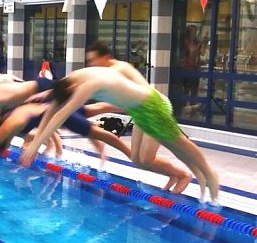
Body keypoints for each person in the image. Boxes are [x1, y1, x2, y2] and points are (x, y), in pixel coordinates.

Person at [19, 66, 220, 202]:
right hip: (138, 109)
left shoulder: (89, 85)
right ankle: (186, 174)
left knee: (178, 145)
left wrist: (35, 147)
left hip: (152, 105)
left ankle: (206, 175)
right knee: (139, 158)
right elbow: (54, 109)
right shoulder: (69, 81)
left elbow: (61, 114)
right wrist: (47, 96)